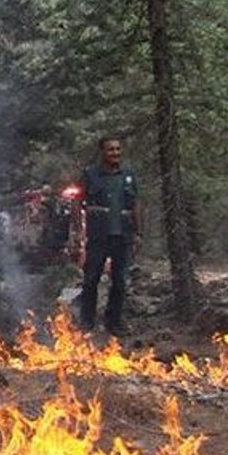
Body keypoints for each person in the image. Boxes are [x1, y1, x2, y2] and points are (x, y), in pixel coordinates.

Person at [78, 136, 141, 336]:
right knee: (91, 279)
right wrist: (76, 230)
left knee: (120, 281)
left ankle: (113, 321)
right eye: (110, 149)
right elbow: (76, 202)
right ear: (102, 152)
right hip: (98, 235)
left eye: (117, 149)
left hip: (122, 235)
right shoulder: (91, 174)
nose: (115, 153)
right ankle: (86, 321)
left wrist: (139, 232)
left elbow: (136, 204)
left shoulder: (128, 175)